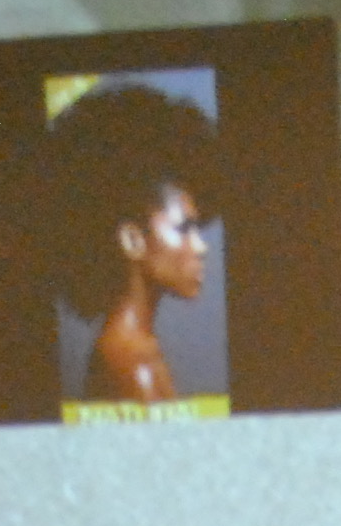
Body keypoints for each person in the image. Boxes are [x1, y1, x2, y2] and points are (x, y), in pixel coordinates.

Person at [42, 80, 218, 410]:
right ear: (132, 241)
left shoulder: (138, 347)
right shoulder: (130, 363)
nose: (201, 246)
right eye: (184, 229)